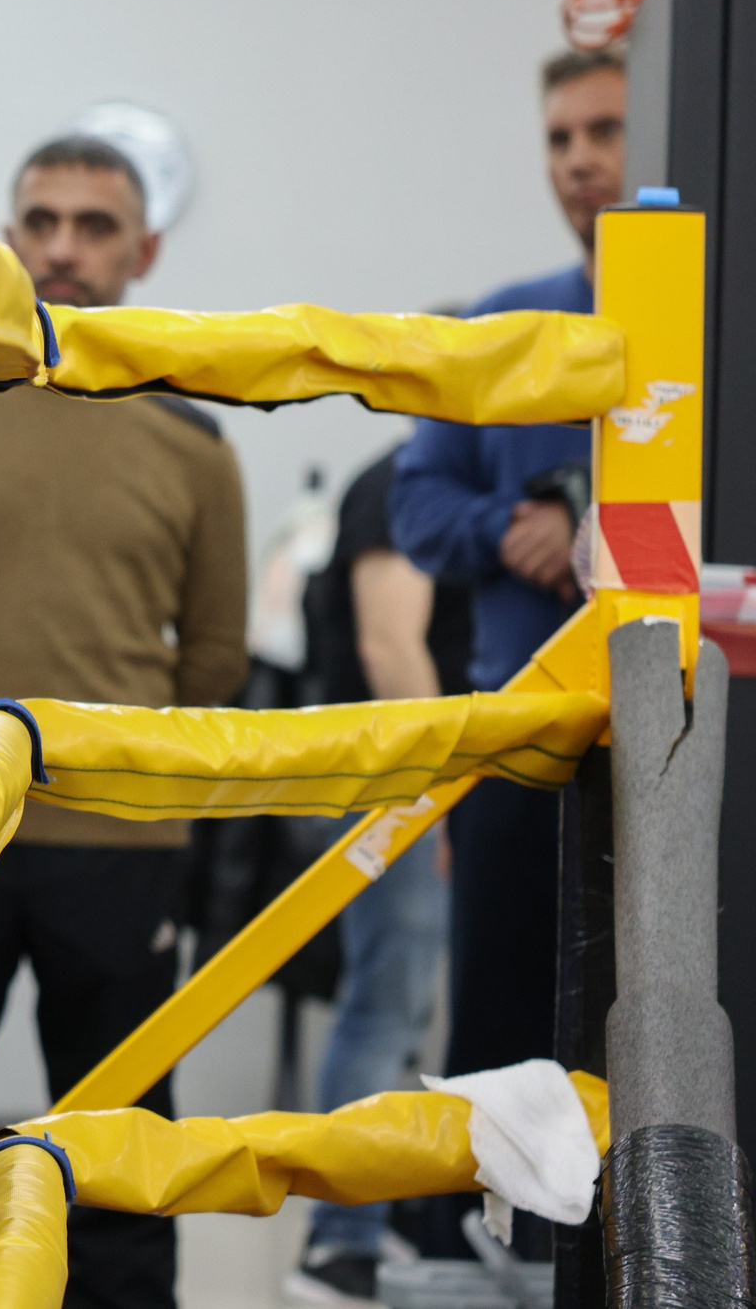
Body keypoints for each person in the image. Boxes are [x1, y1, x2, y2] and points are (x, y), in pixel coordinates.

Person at [0, 134, 248, 1309]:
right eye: (42, 220)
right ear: (11, 235)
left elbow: (218, 657)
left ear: (144, 248)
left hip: (121, 843)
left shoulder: (194, 438)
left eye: (92, 225)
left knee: (122, 1142)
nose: (64, 246)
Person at [389, 47, 621, 1229]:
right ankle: (475, 1235)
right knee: (495, 1014)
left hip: (671, 735)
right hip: (519, 736)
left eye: (604, 130)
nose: (579, 159)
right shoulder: (498, 326)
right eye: (559, 138)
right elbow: (410, 505)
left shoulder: (715, 324)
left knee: (660, 1013)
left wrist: (597, 521)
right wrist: (511, 525)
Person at [285, 446, 473, 1305]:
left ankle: (366, 1222)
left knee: (401, 1009)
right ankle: (340, 1242)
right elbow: (389, 641)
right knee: (385, 1006)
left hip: (399, 784)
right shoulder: (403, 482)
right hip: (394, 787)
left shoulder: (424, 485)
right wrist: (435, 800)